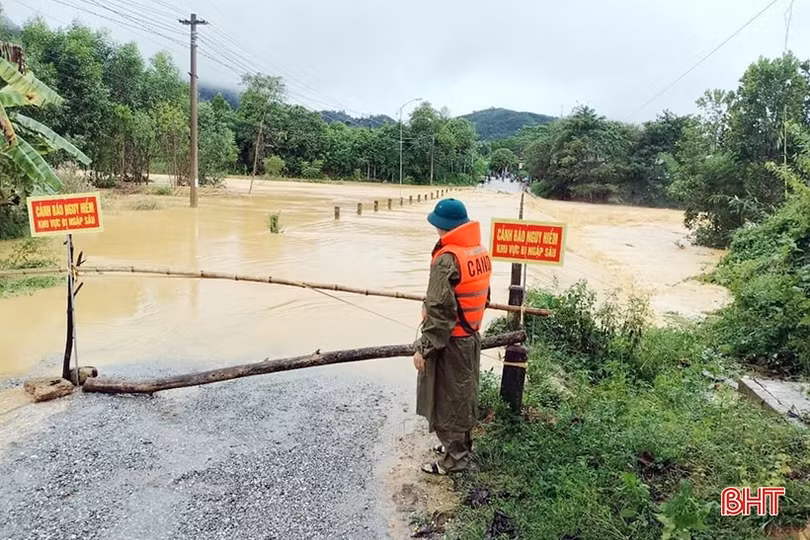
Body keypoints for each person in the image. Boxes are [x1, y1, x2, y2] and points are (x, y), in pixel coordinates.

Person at [413, 198, 492, 475]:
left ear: (441, 226)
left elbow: (439, 311)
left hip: (450, 342)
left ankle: (454, 459)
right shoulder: (479, 252)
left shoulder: (447, 260)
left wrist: (423, 348)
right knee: (463, 394)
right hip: (471, 337)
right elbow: (484, 297)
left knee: (447, 400)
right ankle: (459, 445)